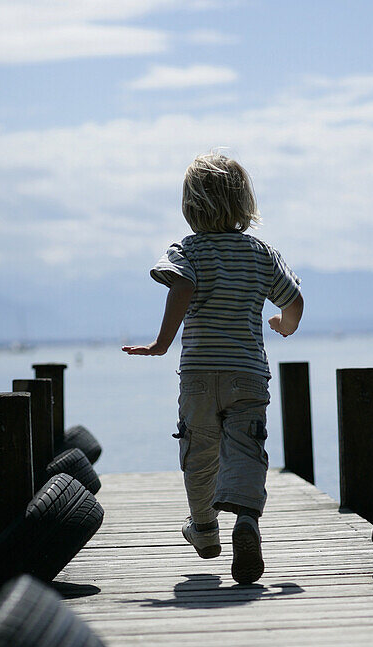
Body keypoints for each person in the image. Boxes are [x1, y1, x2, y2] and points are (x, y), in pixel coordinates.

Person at [123, 152, 304, 584]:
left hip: (201, 375)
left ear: (189, 207)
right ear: (245, 204)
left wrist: (162, 343)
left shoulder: (186, 250)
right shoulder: (263, 254)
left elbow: (181, 285)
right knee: (245, 449)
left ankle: (204, 529)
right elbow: (294, 301)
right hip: (247, 375)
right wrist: (282, 325)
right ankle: (246, 521)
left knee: (198, 449)